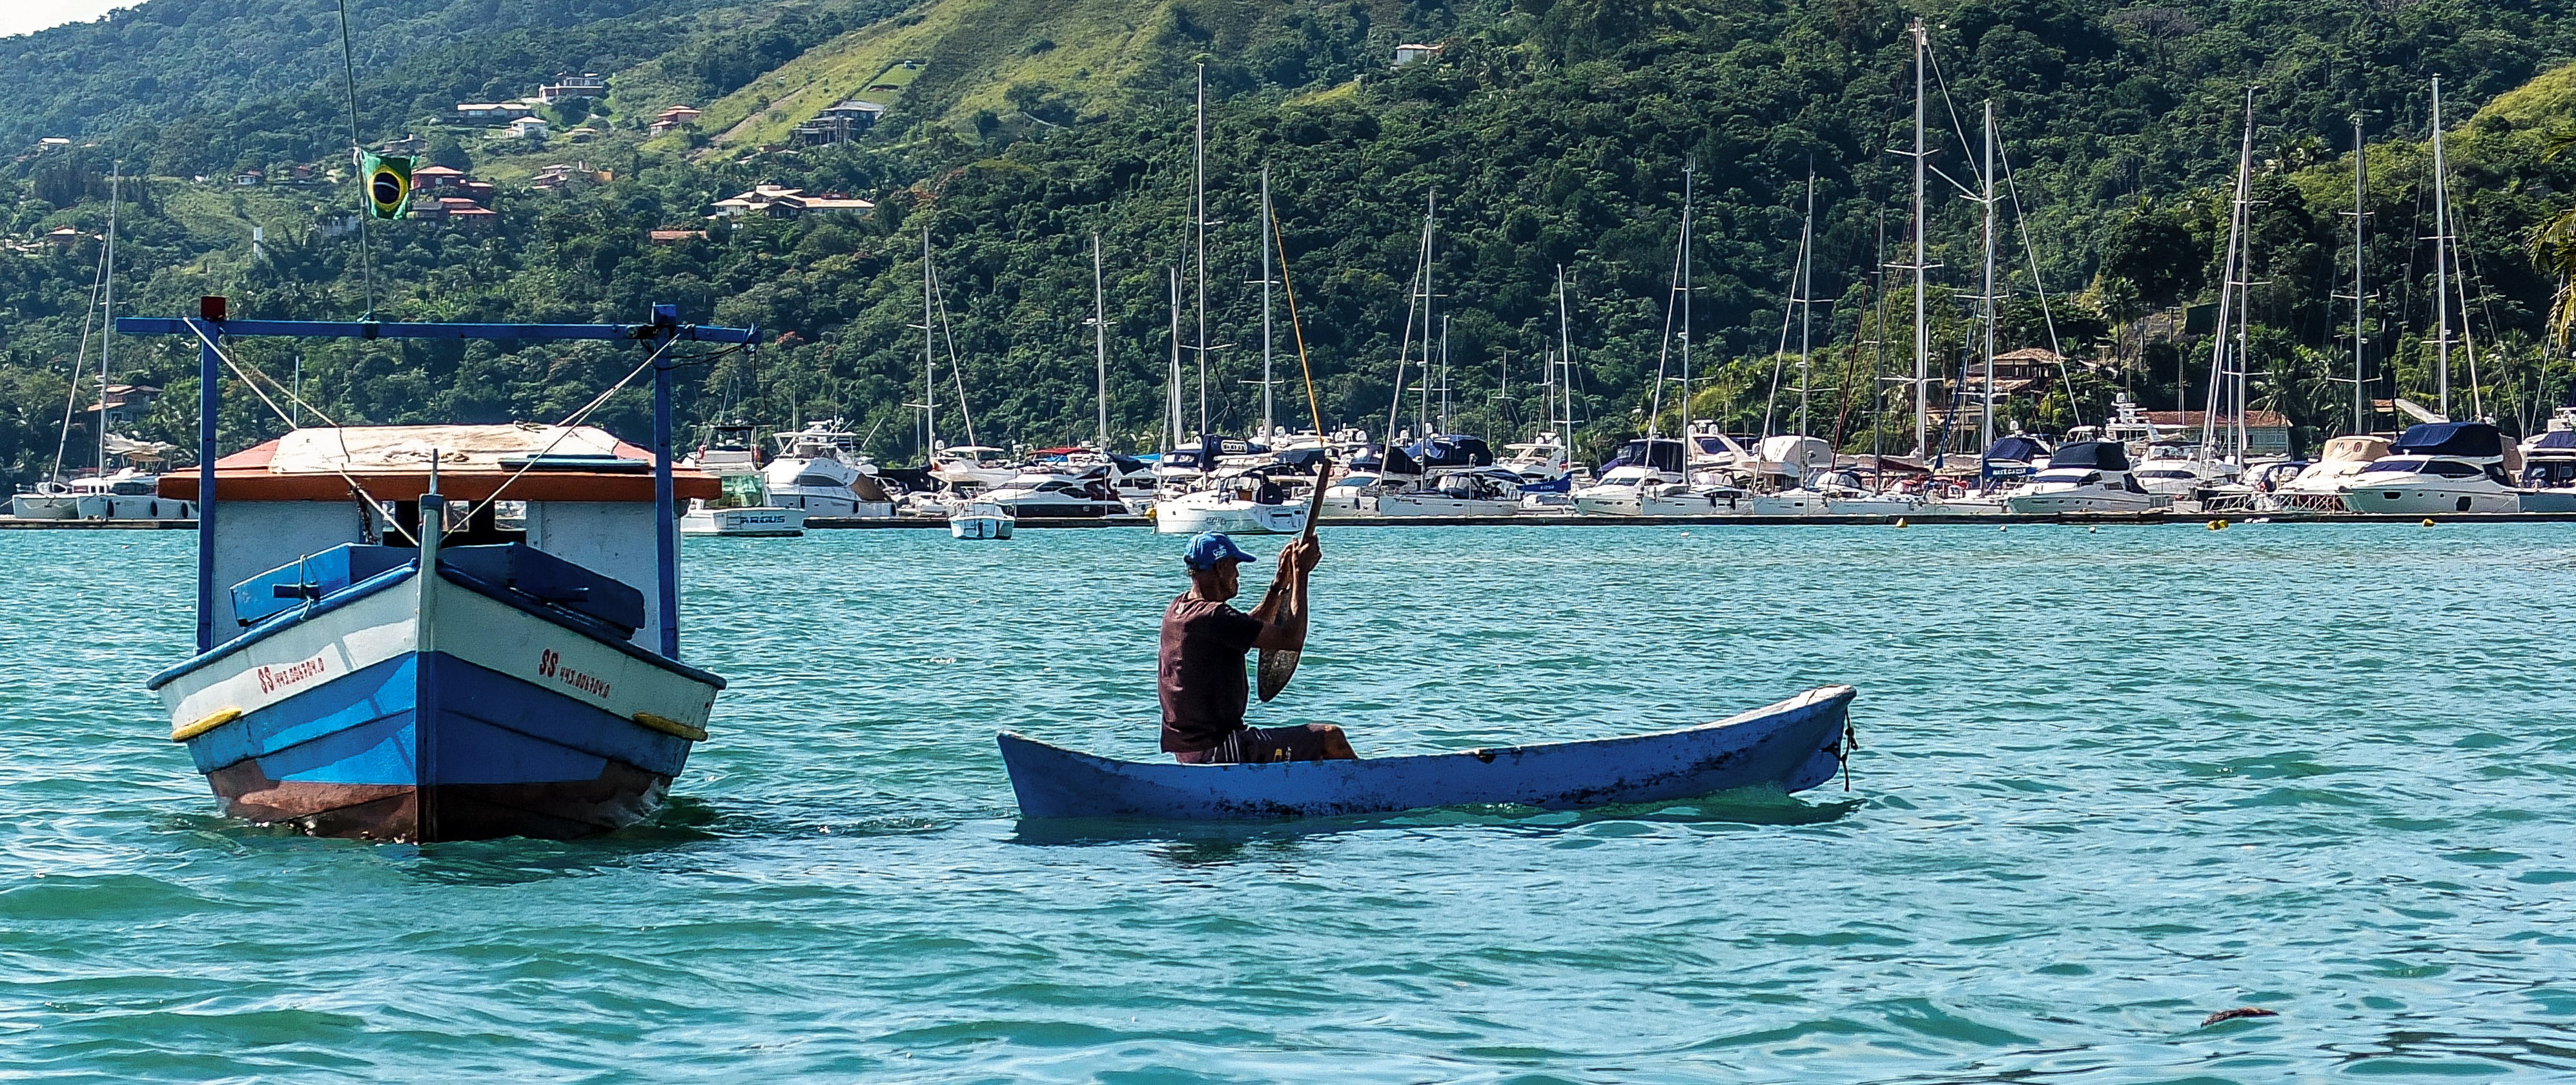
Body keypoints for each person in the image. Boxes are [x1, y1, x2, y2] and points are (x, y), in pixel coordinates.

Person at [1159, 530, 1357, 764]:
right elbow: (1290, 639)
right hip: (1218, 748)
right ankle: (1375, 793)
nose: (1238, 575)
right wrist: (1301, 574)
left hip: (1191, 752)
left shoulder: (1179, 610)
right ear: (1221, 567)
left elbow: (1246, 628)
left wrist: (1279, 584)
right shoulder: (1214, 616)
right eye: (1235, 566)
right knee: (1330, 739)